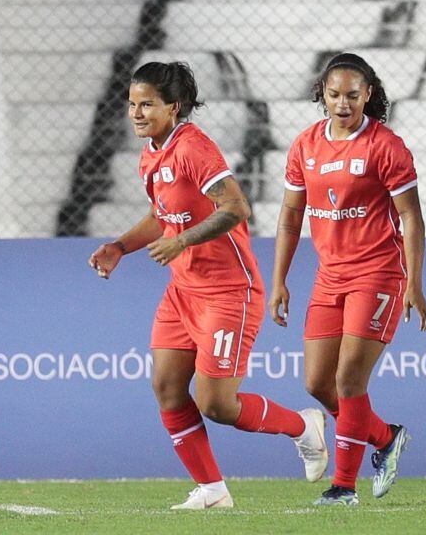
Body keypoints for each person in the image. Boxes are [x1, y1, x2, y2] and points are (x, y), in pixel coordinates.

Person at [88, 61, 327, 510]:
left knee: (217, 404)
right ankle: (213, 490)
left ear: (173, 107)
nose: (136, 113)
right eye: (131, 104)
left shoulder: (192, 148)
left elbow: (237, 208)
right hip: (183, 292)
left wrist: (183, 240)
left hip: (228, 292)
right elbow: (163, 216)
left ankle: (303, 427)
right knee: (167, 387)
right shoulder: (150, 154)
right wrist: (120, 247)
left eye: (147, 105)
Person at [268, 53, 426, 506]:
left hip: (377, 274)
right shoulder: (306, 145)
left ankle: (343, 487)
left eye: (353, 95)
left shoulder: (385, 145)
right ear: (322, 94)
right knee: (317, 384)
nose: (343, 103)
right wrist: (279, 279)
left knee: (348, 381)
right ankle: (386, 437)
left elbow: (411, 219)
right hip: (329, 277)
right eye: (335, 94)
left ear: (369, 95)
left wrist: (414, 284)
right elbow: (290, 216)